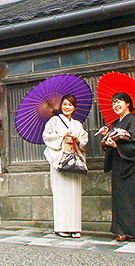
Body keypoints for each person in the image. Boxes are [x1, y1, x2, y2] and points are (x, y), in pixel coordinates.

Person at [97, 92, 135, 242]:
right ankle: (122, 231)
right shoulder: (118, 122)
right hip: (118, 164)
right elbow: (115, 141)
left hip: (130, 165)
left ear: (128, 103)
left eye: (118, 101)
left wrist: (116, 145)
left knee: (133, 197)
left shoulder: (133, 120)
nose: (115, 105)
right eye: (113, 102)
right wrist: (108, 135)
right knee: (120, 199)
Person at [42, 94, 89, 238]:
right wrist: (62, 136)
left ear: (74, 108)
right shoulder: (54, 121)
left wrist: (76, 138)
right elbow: (46, 136)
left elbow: (84, 140)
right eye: (65, 104)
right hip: (60, 159)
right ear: (61, 106)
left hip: (73, 159)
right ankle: (61, 227)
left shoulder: (77, 124)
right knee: (61, 194)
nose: (67, 107)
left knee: (74, 194)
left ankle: (75, 228)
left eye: (70, 105)